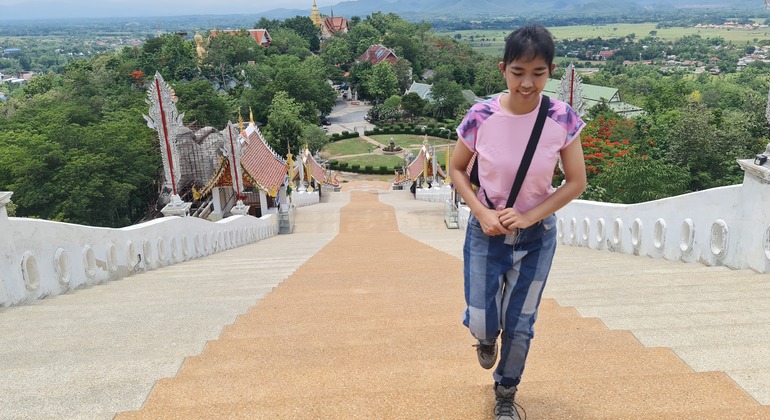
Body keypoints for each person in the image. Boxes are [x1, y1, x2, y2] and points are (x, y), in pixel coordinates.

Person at [448, 24, 587, 420]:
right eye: (518, 72)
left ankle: (506, 392)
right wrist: (481, 211)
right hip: (485, 234)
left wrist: (529, 215)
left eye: (538, 73)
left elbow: (577, 181)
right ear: (503, 69)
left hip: (537, 237)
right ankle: (484, 335)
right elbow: (457, 169)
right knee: (482, 319)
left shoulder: (562, 117)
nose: (528, 83)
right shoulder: (481, 115)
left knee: (521, 324)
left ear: (550, 70)